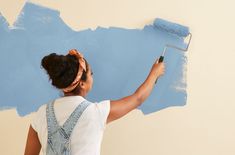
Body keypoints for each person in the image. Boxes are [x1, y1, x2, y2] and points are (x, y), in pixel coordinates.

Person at [24, 49, 165, 155]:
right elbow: (138, 98)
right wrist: (154, 73)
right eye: (91, 74)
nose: (92, 77)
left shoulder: (42, 113)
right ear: (82, 84)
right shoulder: (95, 112)